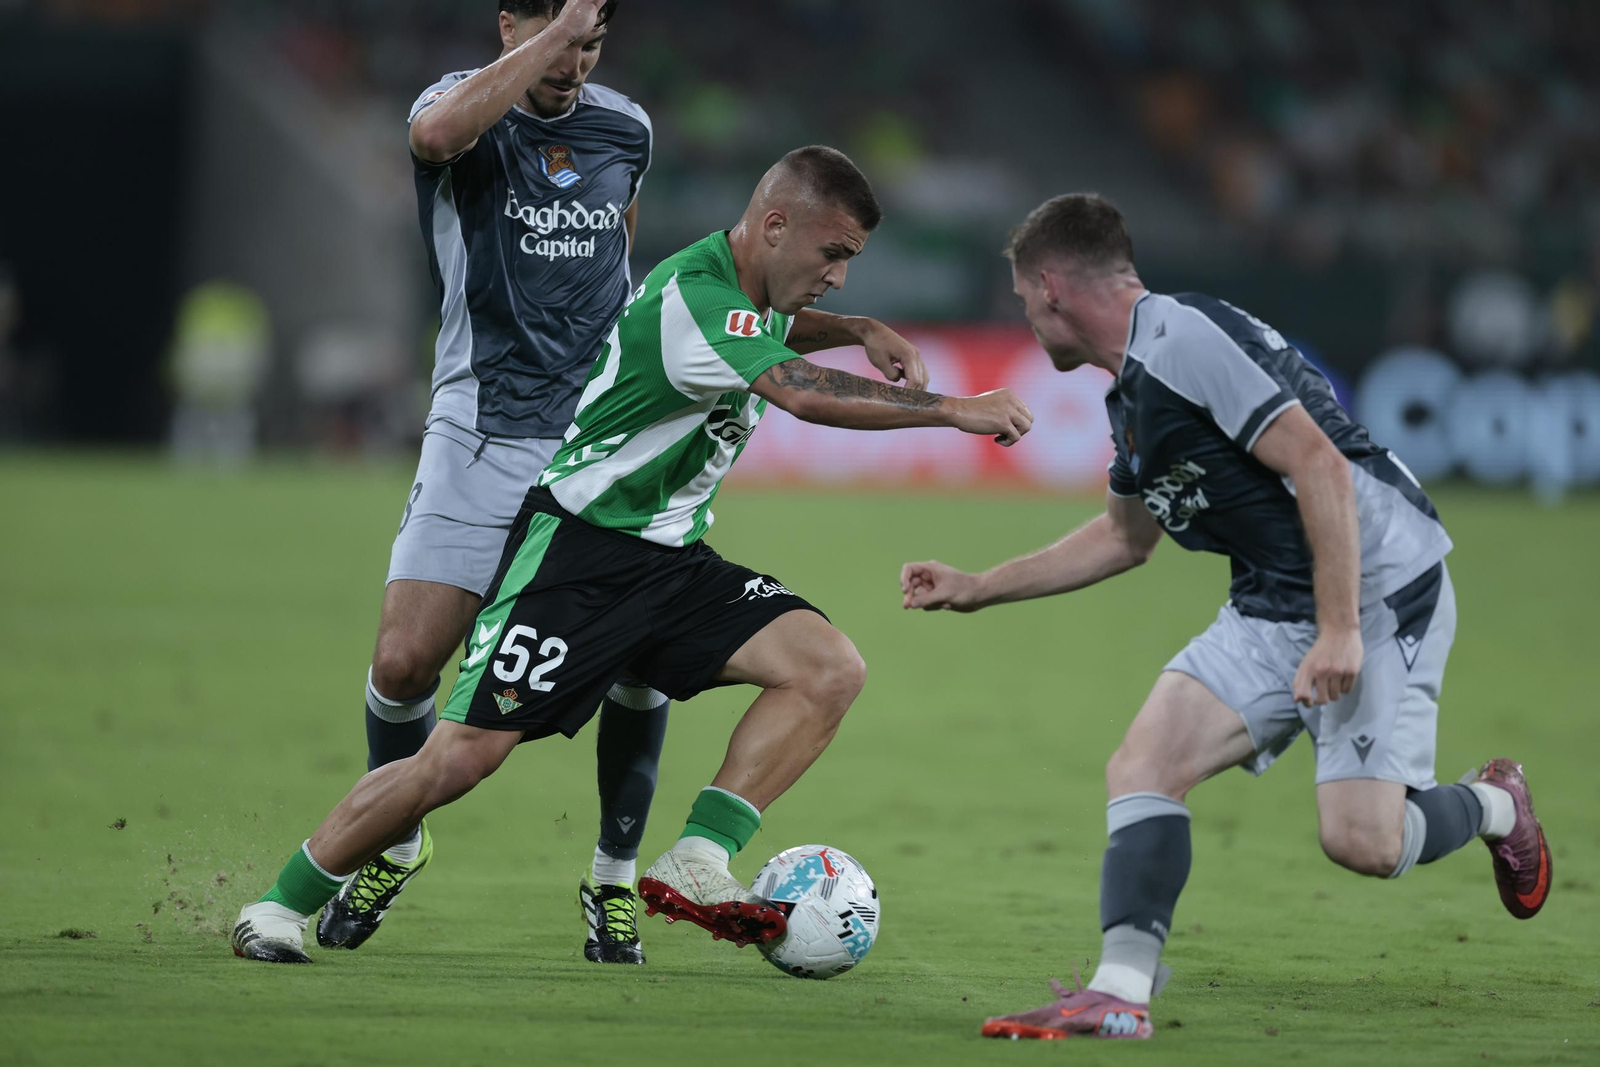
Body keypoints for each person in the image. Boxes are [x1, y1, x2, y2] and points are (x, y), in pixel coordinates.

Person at [230, 144, 1035, 964]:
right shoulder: (699, 298)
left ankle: (699, 855)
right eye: (833, 254)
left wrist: (857, 328)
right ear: (775, 225)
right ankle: (280, 904)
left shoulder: (742, 288)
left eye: (849, 261)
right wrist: (951, 409)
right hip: (577, 557)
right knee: (461, 759)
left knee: (829, 667)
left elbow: (780, 326)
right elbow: (796, 389)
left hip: (672, 561)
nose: (838, 275)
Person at [899, 193, 1552, 1040]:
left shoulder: (1183, 340)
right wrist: (979, 584)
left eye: (1024, 299)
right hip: (1273, 598)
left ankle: (1496, 804)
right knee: (1144, 762)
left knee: (1363, 841)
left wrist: (1341, 627)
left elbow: (1317, 461)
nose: (1024, 317)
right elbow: (1123, 538)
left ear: (1053, 286)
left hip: (1375, 583)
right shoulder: (1129, 393)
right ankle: (1120, 991)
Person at [328, 0, 671, 965]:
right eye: (561, 40)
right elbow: (437, 135)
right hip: (478, 427)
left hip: (597, 438)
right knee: (403, 666)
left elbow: (617, 249)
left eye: (594, 45)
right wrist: (555, 34)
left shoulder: (627, 128)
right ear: (509, 23)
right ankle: (395, 839)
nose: (577, 65)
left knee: (639, 659)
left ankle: (613, 876)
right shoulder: (455, 109)